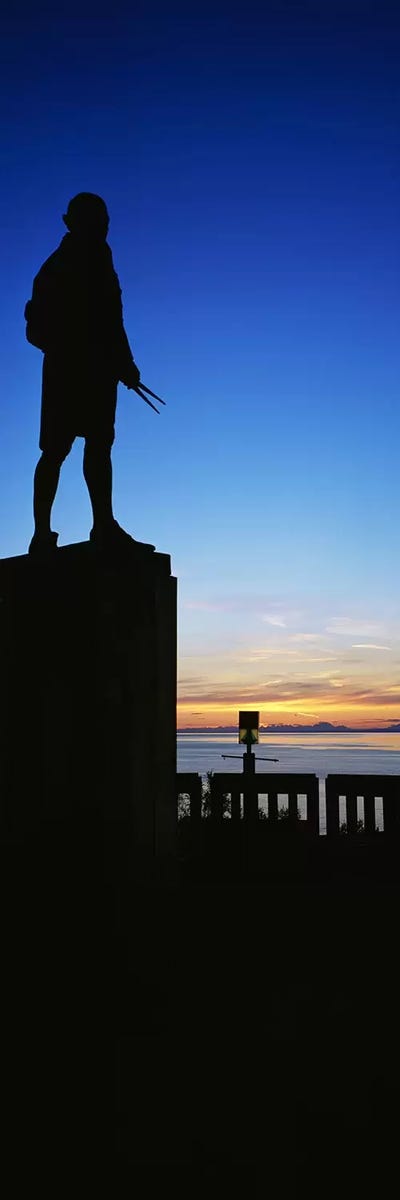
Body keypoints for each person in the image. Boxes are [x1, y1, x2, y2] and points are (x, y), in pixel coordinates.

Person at [25, 191, 154, 554]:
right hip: (67, 372)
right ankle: (42, 533)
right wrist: (73, 346)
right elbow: (35, 328)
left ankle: (103, 524)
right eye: (96, 221)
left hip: (100, 371)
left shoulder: (102, 259)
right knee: (54, 450)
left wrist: (124, 362)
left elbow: (113, 319)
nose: (103, 228)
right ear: (73, 223)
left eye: (104, 221)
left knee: (99, 445)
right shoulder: (56, 266)